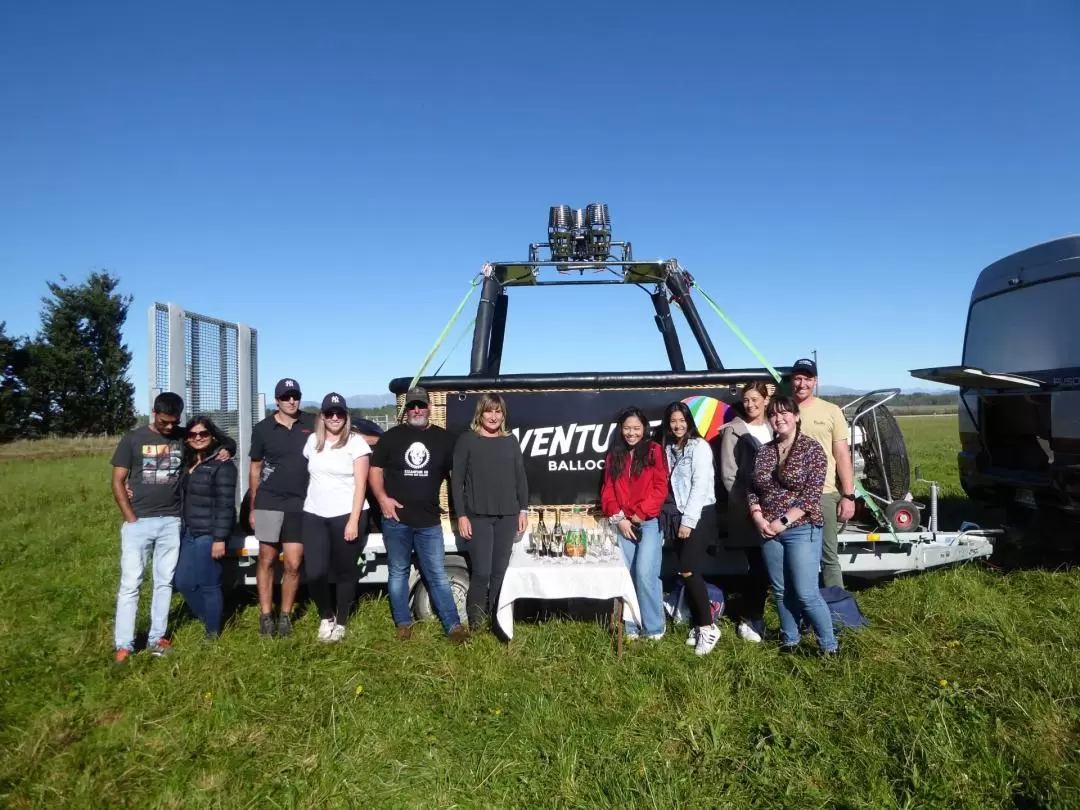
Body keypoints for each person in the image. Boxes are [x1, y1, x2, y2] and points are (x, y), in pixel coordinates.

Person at [109, 392, 234, 663]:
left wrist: (230, 449)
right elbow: (117, 480)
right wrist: (131, 518)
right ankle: (124, 643)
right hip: (139, 521)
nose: (169, 428)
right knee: (131, 583)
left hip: (171, 522)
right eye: (164, 422)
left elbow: (220, 439)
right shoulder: (133, 439)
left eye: (173, 422)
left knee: (164, 582)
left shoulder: (183, 436)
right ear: (154, 413)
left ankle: (157, 638)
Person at [368, 386, 469, 644]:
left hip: (429, 522)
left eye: (421, 405)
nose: (417, 410)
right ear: (406, 410)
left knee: (436, 573)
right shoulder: (391, 438)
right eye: (412, 406)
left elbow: (457, 476)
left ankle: (453, 626)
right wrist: (382, 499)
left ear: (429, 408)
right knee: (398, 572)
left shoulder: (446, 440)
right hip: (395, 521)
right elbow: (374, 470)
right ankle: (403, 623)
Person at [747, 396, 838, 655]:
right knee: (780, 590)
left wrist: (782, 522)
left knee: (806, 592)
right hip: (768, 531)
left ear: (796, 416)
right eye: (774, 414)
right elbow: (752, 488)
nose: (779, 418)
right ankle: (790, 640)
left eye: (785, 413)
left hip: (802, 529)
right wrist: (758, 518)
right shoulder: (764, 451)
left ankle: (829, 646)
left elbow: (811, 496)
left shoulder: (812, 450)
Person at [452, 393, 529, 632]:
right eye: (489, 411)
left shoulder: (511, 441)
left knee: (500, 572)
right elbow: (457, 481)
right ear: (480, 413)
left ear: (503, 415)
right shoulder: (467, 440)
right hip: (477, 516)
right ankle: (476, 624)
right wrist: (461, 515)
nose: (493, 416)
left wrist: (523, 509)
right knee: (482, 573)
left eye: (498, 412)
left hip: (507, 516)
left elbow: (521, 478)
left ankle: (498, 622)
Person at [301, 393, 372, 642]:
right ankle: (326, 616)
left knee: (344, 571)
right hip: (314, 514)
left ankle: (341, 622)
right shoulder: (312, 442)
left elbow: (361, 486)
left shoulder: (356, 444)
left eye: (339, 413)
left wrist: (353, 521)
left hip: (346, 514)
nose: (334, 418)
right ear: (321, 416)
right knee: (315, 572)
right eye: (329, 413)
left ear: (345, 416)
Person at [248, 378, 315, 638]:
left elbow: (341, 432)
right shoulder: (263, 429)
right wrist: (253, 505)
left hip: (300, 503)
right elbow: (255, 469)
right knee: (267, 558)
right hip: (269, 501)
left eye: (295, 396)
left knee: (294, 563)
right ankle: (266, 616)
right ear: (277, 400)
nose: (291, 400)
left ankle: (285, 615)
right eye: (286, 396)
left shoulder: (311, 423)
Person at [600, 406, 670, 640]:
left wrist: (640, 515)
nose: (631, 433)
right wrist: (619, 519)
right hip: (623, 524)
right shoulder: (614, 455)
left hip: (647, 523)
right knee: (627, 574)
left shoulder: (654, 451)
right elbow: (607, 490)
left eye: (636, 428)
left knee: (644, 572)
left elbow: (660, 488)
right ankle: (630, 626)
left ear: (644, 429)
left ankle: (654, 627)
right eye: (627, 428)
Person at [657, 401, 720, 656]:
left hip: (698, 514)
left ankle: (708, 628)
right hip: (680, 514)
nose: (677, 425)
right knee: (688, 571)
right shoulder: (670, 448)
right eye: (673, 421)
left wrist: (688, 522)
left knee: (688, 570)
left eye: (682, 420)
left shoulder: (699, 447)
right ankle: (699, 622)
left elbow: (699, 486)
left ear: (689, 422)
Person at [789, 358, 855, 588]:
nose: (802, 384)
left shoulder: (831, 411)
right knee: (796, 558)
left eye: (807, 378)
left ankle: (837, 609)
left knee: (829, 556)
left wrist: (848, 495)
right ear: (791, 381)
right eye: (798, 378)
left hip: (824, 493)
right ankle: (804, 606)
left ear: (815, 381)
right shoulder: (781, 410)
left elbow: (842, 454)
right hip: (789, 496)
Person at [719, 381, 774, 643]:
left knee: (775, 565)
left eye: (755, 399)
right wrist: (752, 507)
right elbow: (729, 474)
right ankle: (751, 619)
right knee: (756, 566)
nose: (750, 405)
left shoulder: (776, 426)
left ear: (766, 400)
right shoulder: (733, 431)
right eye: (746, 400)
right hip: (748, 511)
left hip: (779, 509)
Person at [174, 415, 237, 640]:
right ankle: (208, 616)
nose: (198, 437)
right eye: (193, 434)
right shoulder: (188, 461)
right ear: (187, 439)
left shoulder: (222, 463)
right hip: (189, 531)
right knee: (182, 581)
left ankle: (212, 633)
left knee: (209, 583)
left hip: (209, 533)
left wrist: (220, 538)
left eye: (203, 433)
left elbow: (226, 504)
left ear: (212, 436)